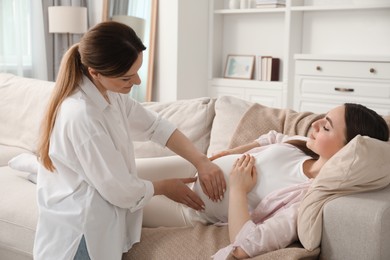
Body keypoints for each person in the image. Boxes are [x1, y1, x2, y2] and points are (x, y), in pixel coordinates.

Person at [33, 21, 225, 260]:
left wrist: (201, 161)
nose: (137, 83)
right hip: (81, 235)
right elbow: (118, 189)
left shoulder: (110, 94)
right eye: (126, 78)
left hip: (97, 223)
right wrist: (165, 187)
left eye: (137, 72)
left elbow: (156, 126)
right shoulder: (82, 115)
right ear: (95, 72)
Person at [143, 103, 389, 259]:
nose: (314, 124)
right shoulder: (304, 146)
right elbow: (272, 137)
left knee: (113, 202)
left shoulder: (303, 198)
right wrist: (228, 154)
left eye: (326, 127)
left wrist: (239, 189)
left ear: (347, 150)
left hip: (189, 207)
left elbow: (245, 245)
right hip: (195, 166)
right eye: (322, 118)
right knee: (114, 175)